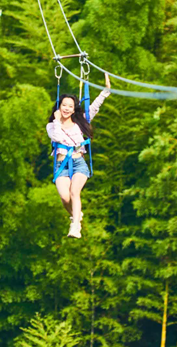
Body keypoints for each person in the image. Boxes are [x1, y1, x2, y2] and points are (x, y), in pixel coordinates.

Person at [46, 72, 111, 238]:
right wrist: (57, 120)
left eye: (70, 106)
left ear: (74, 108)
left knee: (75, 192)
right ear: (59, 107)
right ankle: (76, 215)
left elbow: (94, 107)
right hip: (61, 165)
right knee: (64, 197)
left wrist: (105, 91)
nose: (67, 109)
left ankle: (75, 227)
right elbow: (57, 137)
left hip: (78, 163)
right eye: (64, 105)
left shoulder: (80, 121)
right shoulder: (51, 126)